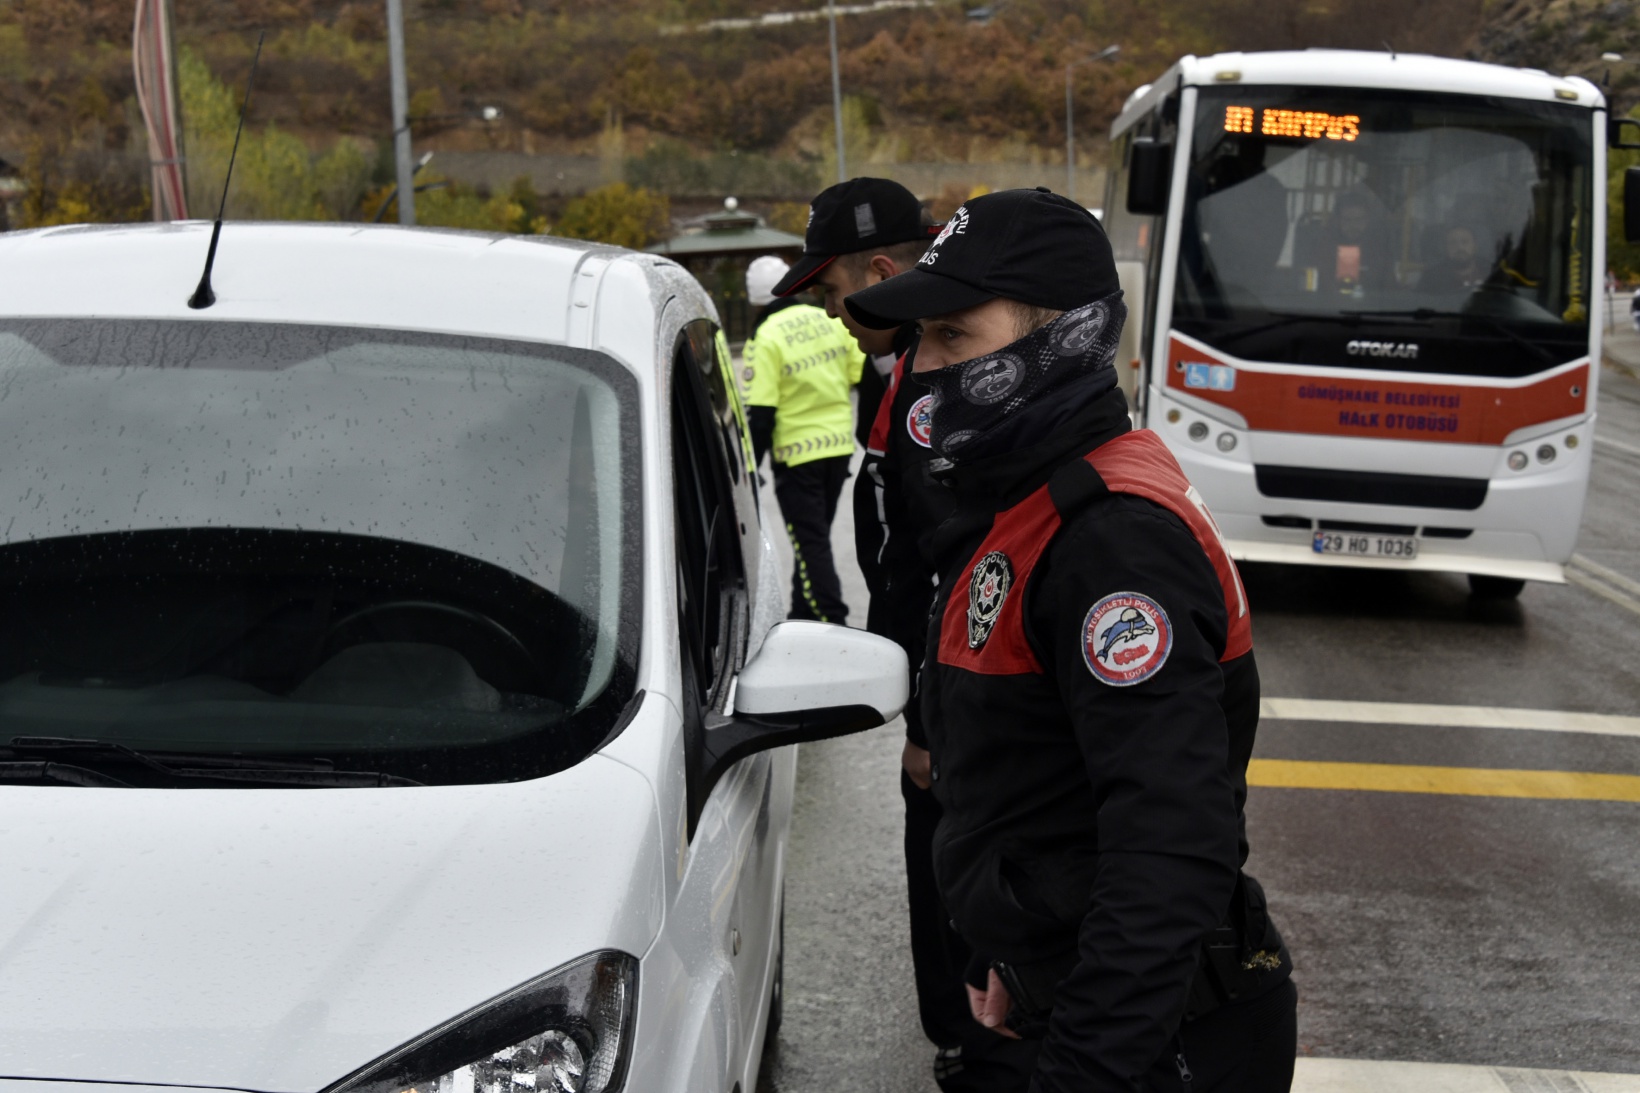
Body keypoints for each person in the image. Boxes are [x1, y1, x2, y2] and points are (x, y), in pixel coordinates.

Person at [844, 187, 1297, 1093]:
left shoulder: (1114, 540)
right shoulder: (1030, 493)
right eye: (919, 339)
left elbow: (1169, 846)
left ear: (1065, 340)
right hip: (1058, 1001)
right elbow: (1045, 795)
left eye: (953, 338)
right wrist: (1016, 960)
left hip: (1142, 1046)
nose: (921, 368)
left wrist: (1083, 1069)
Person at [771, 179, 1037, 1092]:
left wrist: (925, 713)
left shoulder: (954, 382)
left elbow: (956, 563)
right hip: (939, 684)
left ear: (879, 270)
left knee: (970, 867)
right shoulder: (901, 372)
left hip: (963, 692)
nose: (830, 314)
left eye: (832, 292)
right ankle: (967, 1033)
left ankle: (982, 1041)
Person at [741, 254, 864, 624]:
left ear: (755, 299)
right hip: (839, 448)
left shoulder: (766, 337)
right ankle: (801, 612)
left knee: (810, 542)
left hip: (797, 457)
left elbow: (760, 413)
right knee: (814, 540)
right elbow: (858, 374)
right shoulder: (827, 320)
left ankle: (832, 618)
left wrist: (750, 466)